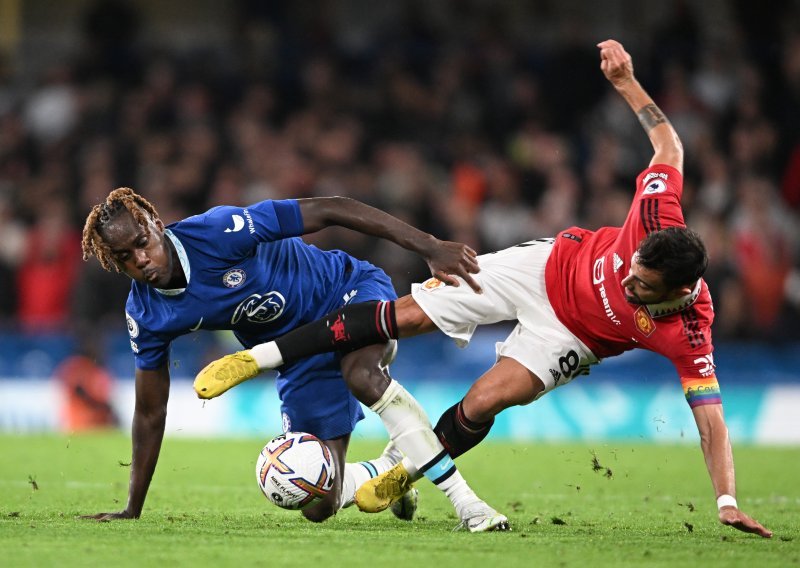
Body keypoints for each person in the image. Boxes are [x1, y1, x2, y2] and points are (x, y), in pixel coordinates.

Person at [195, 40, 772, 538]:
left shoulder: (689, 330)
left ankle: (401, 473)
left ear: (678, 289)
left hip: (573, 336)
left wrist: (726, 502)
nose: (626, 275)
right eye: (631, 265)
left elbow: (711, 418)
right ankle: (257, 357)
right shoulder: (656, 212)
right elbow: (669, 146)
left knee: (489, 399)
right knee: (407, 316)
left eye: (640, 283)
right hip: (544, 267)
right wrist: (627, 82)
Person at [79, 187, 509, 532]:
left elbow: (332, 208)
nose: (140, 260)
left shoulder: (218, 232)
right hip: (297, 354)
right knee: (320, 503)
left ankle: (467, 504)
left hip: (345, 292)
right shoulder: (148, 314)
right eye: (124, 258)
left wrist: (429, 246)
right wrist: (131, 507)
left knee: (361, 374)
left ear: (155, 223)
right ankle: (391, 471)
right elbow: (150, 412)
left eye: (141, 244)